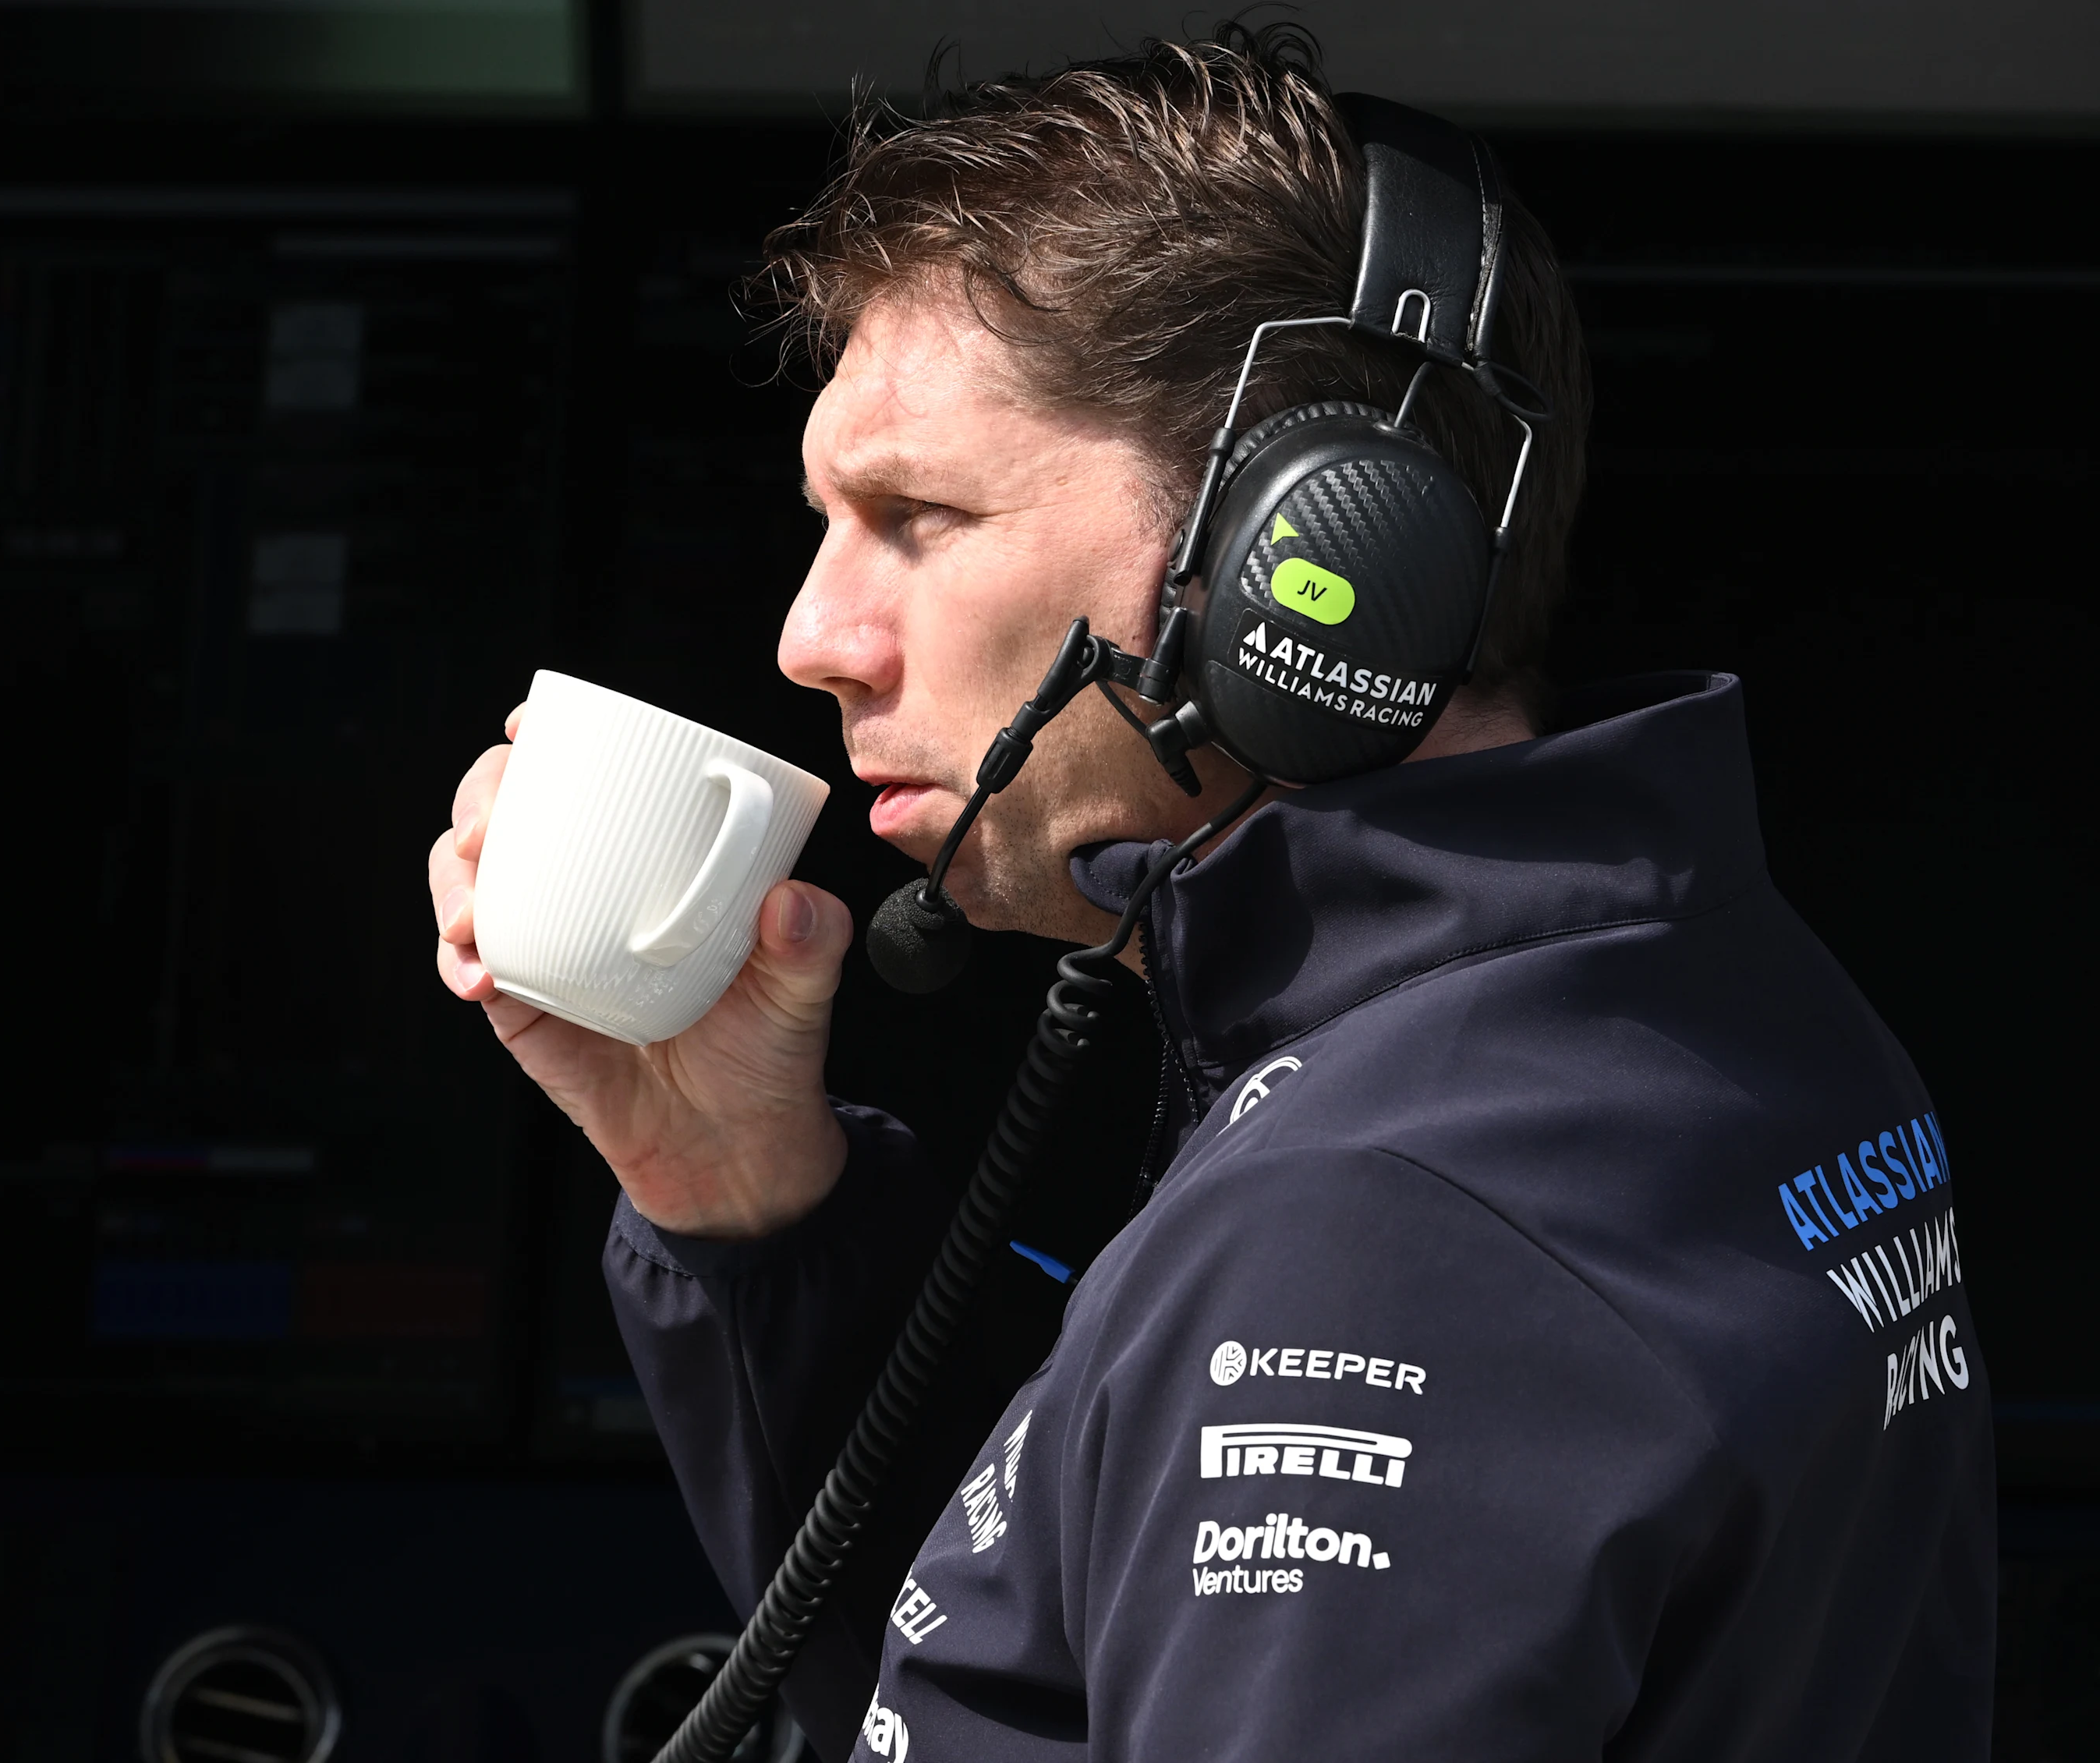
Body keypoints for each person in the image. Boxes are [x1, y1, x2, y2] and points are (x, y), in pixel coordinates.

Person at [427, 30, 1993, 1761]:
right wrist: (743, 1193)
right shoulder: (1680, 988)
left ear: (1311, 547)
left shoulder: (1382, 1229)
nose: (812, 636)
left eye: (916, 516)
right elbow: (1063, 1643)